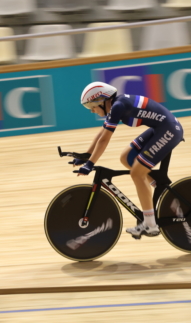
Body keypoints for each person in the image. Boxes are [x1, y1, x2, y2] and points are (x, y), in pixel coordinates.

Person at [73, 81, 183, 238]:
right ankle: (159, 187)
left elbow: (104, 140)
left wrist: (90, 164)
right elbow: (102, 134)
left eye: (92, 106)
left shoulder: (118, 106)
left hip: (169, 130)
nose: (91, 111)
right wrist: (86, 156)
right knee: (126, 158)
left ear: (102, 100)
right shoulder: (116, 104)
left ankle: (150, 224)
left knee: (137, 173)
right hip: (161, 128)